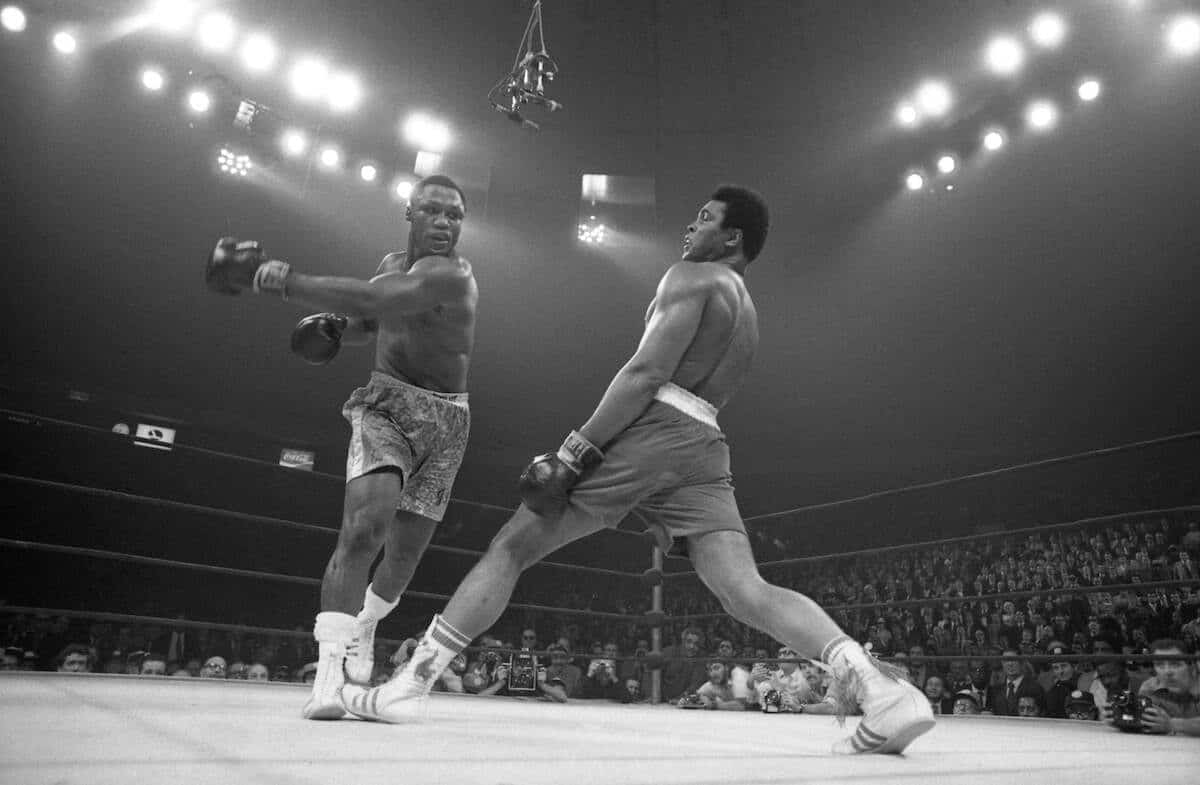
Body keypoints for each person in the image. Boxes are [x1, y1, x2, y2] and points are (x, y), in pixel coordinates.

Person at [341, 185, 933, 754]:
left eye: (705, 217)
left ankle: (407, 686)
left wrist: (577, 449)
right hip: (705, 443)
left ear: (732, 239)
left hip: (654, 430)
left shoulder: (689, 276)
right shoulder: (747, 310)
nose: (691, 225)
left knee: (511, 547)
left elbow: (646, 373)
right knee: (745, 591)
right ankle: (883, 692)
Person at [205, 175, 477, 720]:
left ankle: (367, 626)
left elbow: (377, 298)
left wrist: (281, 280)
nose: (445, 224)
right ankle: (327, 680)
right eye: (434, 211)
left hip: (448, 421)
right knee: (362, 531)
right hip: (386, 408)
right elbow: (368, 318)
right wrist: (334, 326)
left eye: (455, 215)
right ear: (411, 213)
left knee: (401, 559)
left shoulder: (452, 275)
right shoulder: (389, 264)